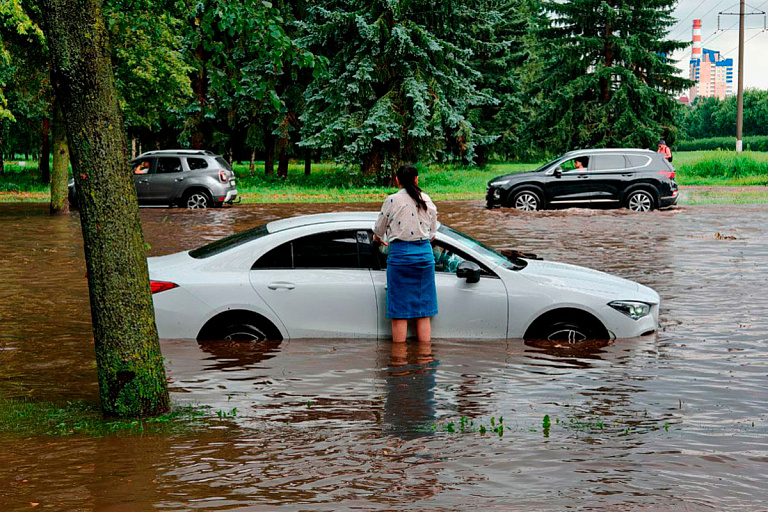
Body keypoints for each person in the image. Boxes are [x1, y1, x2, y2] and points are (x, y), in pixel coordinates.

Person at [373, 164, 438, 343]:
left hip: (400, 257)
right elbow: (433, 234)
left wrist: (378, 239)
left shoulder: (392, 200)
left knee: (399, 312)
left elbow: (379, 229)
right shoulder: (427, 199)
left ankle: (399, 357)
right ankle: (424, 357)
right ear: (417, 179)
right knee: (424, 311)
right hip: (424, 257)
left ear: (397, 180)